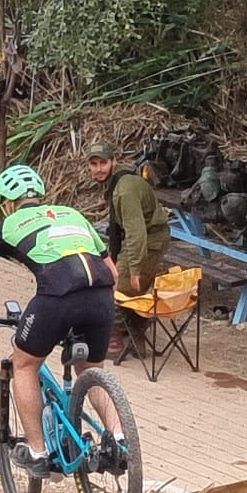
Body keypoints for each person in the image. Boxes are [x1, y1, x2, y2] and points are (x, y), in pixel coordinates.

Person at [0, 164, 123, 475]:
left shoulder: (6, 227)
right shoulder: (72, 214)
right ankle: (119, 441)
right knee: (91, 370)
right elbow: (113, 273)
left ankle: (38, 453)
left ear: (6, 204)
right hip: (101, 297)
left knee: (23, 365)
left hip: (57, 298)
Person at [87, 141, 169, 359]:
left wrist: (134, 269)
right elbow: (117, 228)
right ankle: (135, 338)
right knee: (119, 281)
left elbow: (136, 233)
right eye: (94, 164)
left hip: (150, 240)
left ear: (113, 162)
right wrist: (113, 258)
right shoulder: (117, 182)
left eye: (103, 163)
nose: (98, 169)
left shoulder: (124, 190)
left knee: (113, 288)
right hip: (145, 238)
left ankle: (115, 340)